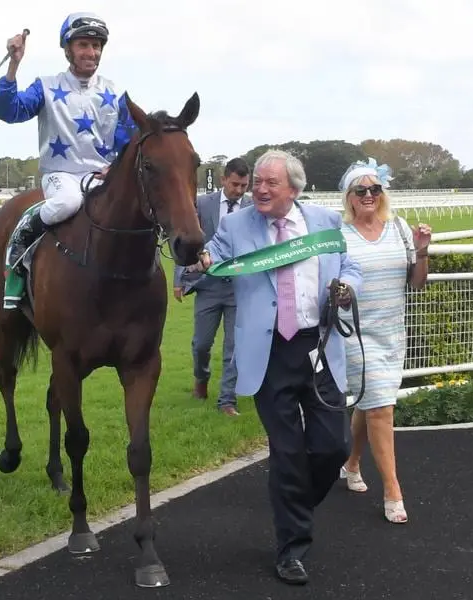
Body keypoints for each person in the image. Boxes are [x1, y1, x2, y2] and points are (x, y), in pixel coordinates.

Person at [194, 149, 362, 585]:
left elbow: (351, 264)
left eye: (271, 183)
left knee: (332, 448)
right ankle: (292, 547)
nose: (260, 190)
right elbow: (210, 253)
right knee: (287, 454)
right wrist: (203, 258)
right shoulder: (236, 224)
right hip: (268, 354)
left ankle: (294, 509)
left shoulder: (324, 222)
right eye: (257, 183)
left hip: (319, 347)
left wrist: (348, 289)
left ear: (294, 188)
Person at [0, 12, 136, 308]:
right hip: (62, 175)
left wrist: (116, 167)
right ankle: (21, 240)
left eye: (97, 46)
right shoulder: (45, 86)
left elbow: (129, 139)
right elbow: (9, 111)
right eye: (84, 45)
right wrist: (14, 65)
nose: (92, 53)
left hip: (103, 178)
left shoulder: (115, 92)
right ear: (68, 49)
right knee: (68, 202)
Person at [336, 157, 432, 524]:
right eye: (361, 190)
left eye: (375, 189)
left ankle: (351, 463)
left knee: (370, 402)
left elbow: (417, 283)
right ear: (348, 195)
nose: (369, 195)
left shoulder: (399, 228)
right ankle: (393, 491)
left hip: (392, 331)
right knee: (380, 407)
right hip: (356, 334)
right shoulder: (339, 234)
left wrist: (422, 249)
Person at [173, 158, 252, 416]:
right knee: (201, 344)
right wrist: (179, 279)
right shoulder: (203, 204)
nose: (239, 191)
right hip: (207, 285)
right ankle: (201, 377)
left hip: (240, 287)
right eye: (235, 184)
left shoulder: (253, 208)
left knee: (234, 345)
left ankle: (227, 400)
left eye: (244, 186)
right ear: (223, 179)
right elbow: (187, 241)